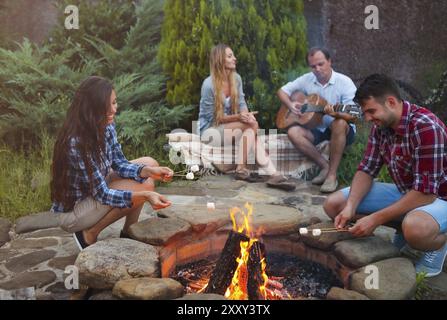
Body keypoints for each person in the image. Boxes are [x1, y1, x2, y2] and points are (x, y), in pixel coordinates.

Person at [324, 74, 447, 277]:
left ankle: (437, 243)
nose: (368, 118)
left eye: (371, 111)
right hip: (408, 192)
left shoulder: (425, 127)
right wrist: (350, 207)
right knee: (334, 205)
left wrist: (375, 219)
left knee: (415, 228)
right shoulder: (381, 126)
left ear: (391, 102)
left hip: (439, 197)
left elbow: (426, 194)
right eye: (365, 113)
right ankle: (404, 229)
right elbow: (366, 169)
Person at [50, 76, 173, 250]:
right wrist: (145, 195)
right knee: (142, 188)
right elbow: (103, 195)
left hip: (95, 188)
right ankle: (89, 234)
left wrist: (149, 171)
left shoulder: (105, 125)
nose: (114, 109)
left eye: (115, 102)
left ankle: (129, 232)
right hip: (74, 212)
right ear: (91, 109)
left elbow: (119, 164)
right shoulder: (75, 141)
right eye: (107, 105)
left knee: (148, 164)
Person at [198, 43, 295, 191]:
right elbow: (212, 118)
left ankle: (273, 175)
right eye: (230, 56)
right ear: (219, 60)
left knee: (251, 127)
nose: (235, 58)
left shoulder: (236, 78)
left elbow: (242, 102)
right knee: (251, 126)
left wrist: (247, 115)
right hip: (210, 131)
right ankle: (241, 168)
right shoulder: (208, 85)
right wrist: (240, 117)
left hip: (229, 128)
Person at [277, 47, 357, 193]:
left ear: (330, 62)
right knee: (293, 131)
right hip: (317, 128)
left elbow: (354, 115)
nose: (317, 69)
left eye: (321, 64)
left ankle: (332, 176)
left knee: (339, 123)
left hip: (341, 129)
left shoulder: (345, 82)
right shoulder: (307, 79)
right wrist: (291, 104)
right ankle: (324, 166)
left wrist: (334, 113)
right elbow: (282, 91)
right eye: (313, 66)